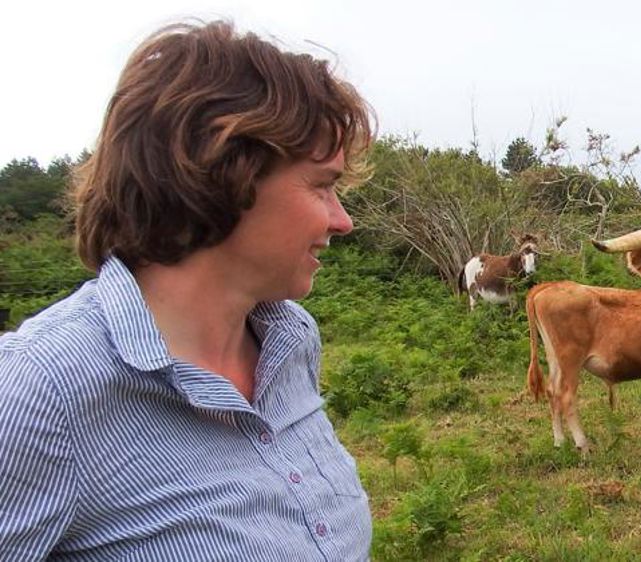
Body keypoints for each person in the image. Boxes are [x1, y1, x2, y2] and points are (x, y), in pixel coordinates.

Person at [0, 20, 374, 561]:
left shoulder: (290, 341)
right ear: (225, 175)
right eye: (322, 185)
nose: (343, 221)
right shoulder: (40, 392)